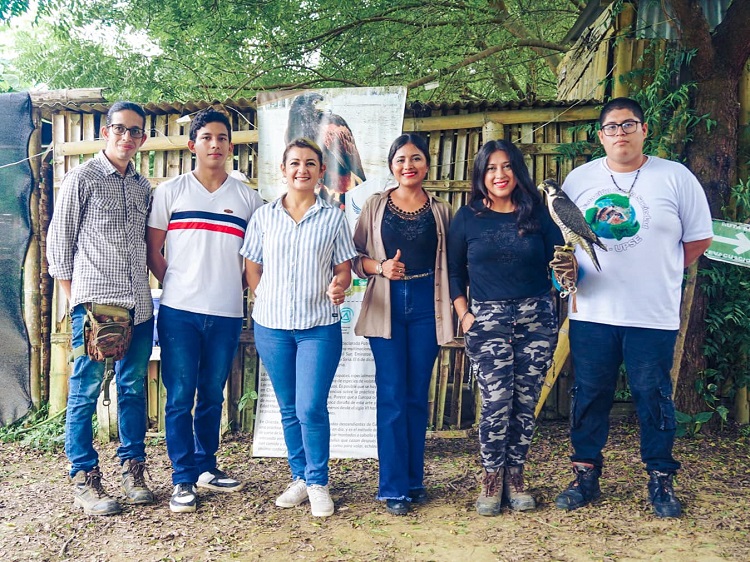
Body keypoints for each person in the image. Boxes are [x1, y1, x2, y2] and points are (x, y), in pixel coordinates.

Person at [553, 97, 713, 518]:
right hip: (591, 311)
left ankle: (660, 478)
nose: (620, 133)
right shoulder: (580, 179)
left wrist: (660, 272)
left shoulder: (675, 177)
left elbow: (699, 238)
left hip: (651, 314)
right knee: (590, 394)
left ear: (644, 130)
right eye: (611, 127)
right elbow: (566, 238)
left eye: (628, 124)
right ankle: (585, 474)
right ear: (600, 136)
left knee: (653, 395)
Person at [146, 108, 264, 513]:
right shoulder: (171, 191)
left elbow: (255, 258)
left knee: (213, 393)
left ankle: (206, 466)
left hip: (227, 312)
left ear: (230, 146)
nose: (215, 144)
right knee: (180, 395)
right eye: (207, 137)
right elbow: (153, 250)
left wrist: (234, 288)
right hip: (179, 311)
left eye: (222, 138)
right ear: (192, 144)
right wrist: (178, 283)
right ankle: (182, 477)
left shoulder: (247, 199)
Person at [47, 101, 154, 516]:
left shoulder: (143, 187)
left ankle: (133, 469)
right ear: (105, 132)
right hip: (95, 305)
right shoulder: (82, 178)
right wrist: (79, 300)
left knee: (133, 387)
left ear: (143, 138)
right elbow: (59, 244)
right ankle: (83, 476)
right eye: (120, 128)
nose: (127, 136)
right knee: (86, 389)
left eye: (135, 130)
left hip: (139, 306)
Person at [240, 138, 356, 518]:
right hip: (271, 327)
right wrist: (265, 297)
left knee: (311, 406)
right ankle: (301, 477)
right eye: (294, 163)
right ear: (283, 169)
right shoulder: (263, 217)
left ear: (321, 171)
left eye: (309, 163)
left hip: (318, 326)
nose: (301, 170)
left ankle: (319, 482)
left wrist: (339, 286)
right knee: (289, 407)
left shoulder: (334, 218)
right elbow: (252, 266)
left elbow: (344, 269)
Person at [448, 140, 563, 516]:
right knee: (497, 403)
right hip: (488, 323)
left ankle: (516, 478)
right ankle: (491, 479)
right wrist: (464, 314)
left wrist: (565, 278)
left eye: (507, 166)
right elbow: (453, 272)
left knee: (525, 404)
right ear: (481, 174)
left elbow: (560, 261)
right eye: (491, 168)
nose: (500, 175)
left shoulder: (538, 213)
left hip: (535, 321)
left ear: (518, 171)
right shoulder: (467, 217)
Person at [352, 133, 453, 516]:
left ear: (426, 164)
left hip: (428, 304)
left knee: (415, 395)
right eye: (401, 160)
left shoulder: (442, 211)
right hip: (387, 304)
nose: (408, 166)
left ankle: (414, 481)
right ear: (391, 166)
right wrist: (380, 267)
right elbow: (354, 258)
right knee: (392, 394)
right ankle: (392, 487)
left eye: (415, 158)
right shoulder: (375, 205)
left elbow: (454, 263)